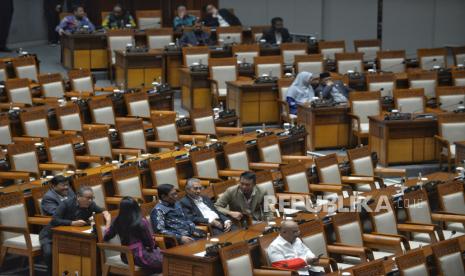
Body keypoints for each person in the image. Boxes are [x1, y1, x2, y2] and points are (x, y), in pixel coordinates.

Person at [39, 186, 111, 275]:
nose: (91, 200)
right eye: (88, 198)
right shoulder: (66, 204)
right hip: (51, 236)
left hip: (72, 235)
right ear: (78, 197)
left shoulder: (91, 204)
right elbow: (54, 220)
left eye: (92, 198)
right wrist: (72, 223)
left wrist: (106, 215)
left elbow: (102, 212)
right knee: (49, 253)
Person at [104, 197, 162, 273]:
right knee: (168, 260)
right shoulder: (141, 221)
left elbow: (107, 236)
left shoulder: (117, 220)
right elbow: (149, 242)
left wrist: (108, 221)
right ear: (136, 207)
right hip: (141, 255)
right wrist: (153, 247)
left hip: (126, 257)